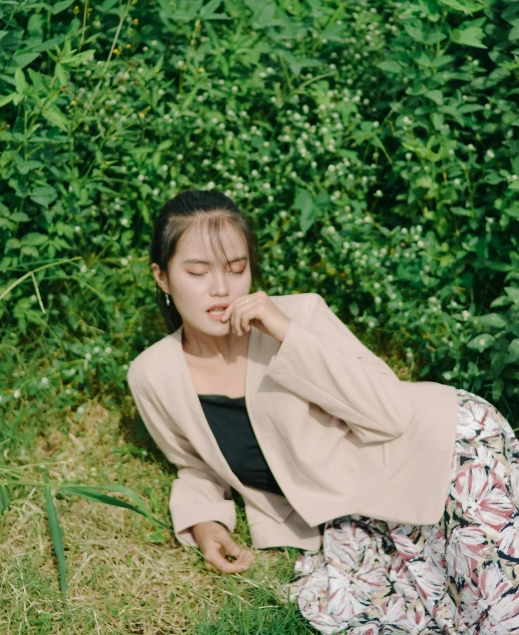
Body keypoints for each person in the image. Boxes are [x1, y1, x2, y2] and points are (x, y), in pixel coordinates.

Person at [127, 189, 519, 634]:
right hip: (358, 517)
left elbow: (389, 414)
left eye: (237, 269)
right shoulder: (153, 375)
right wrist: (203, 522)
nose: (221, 288)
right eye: (197, 272)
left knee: (501, 601)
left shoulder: (298, 316)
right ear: (162, 277)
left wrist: (286, 334)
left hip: (444, 447)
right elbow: (195, 463)